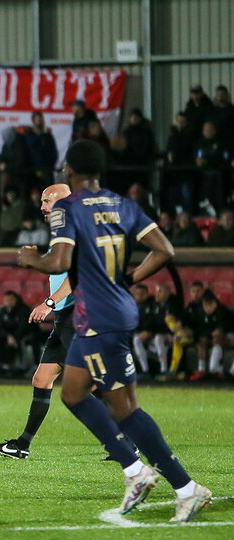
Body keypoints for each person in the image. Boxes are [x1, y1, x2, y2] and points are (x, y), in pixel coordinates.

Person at [19, 140, 212, 522]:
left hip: (98, 318)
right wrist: (129, 279)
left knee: (123, 407)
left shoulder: (67, 208)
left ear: (69, 172)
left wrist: (29, 259)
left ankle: (179, 486)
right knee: (74, 393)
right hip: (112, 310)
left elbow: (58, 260)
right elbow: (165, 250)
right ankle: (139, 472)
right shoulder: (122, 204)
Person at [0, 184, 73, 459]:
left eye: (47, 201)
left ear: (62, 201)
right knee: (42, 377)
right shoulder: (62, 232)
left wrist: (49, 302)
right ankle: (22, 445)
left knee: (88, 386)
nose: (42, 207)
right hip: (64, 318)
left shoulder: (74, 231)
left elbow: (77, 278)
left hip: (79, 317)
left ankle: (128, 442)